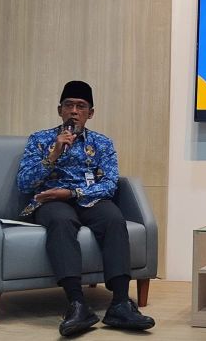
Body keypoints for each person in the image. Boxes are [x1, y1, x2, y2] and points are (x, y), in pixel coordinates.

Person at [17, 81, 155, 336]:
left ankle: (120, 305)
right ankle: (77, 305)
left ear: (90, 113)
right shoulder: (40, 139)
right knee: (61, 221)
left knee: (114, 218)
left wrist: (74, 193)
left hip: (89, 198)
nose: (74, 111)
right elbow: (24, 183)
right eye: (68, 105)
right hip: (52, 201)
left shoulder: (102, 143)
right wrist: (53, 154)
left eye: (80, 106)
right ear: (59, 110)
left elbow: (110, 184)